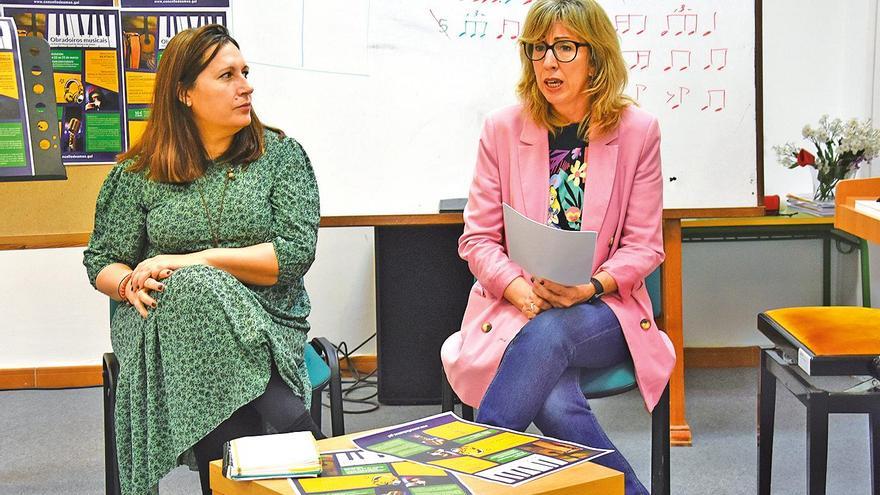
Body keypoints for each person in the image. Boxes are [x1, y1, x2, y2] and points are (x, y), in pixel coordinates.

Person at [440, 1, 675, 493]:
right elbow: (478, 238)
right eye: (538, 48)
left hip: (603, 308)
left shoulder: (637, 132)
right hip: (517, 304)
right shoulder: (502, 129)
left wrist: (589, 287)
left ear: (597, 55)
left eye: (565, 47)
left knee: (551, 334)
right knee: (552, 398)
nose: (548, 61)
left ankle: (469, 474)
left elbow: (644, 246)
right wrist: (517, 288)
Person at [83, 24, 322, 495]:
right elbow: (102, 261)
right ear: (185, 93)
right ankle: (295, 424)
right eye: (227, 75)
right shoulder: (137, 174)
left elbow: (293, 255)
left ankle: (225, 481)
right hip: (165, 323)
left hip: (268, 315)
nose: (246, 85)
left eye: (246, 72)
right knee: (193, 294)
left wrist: (196, 259)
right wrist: (130, 283)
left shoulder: (282, 157)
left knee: (196, 282)